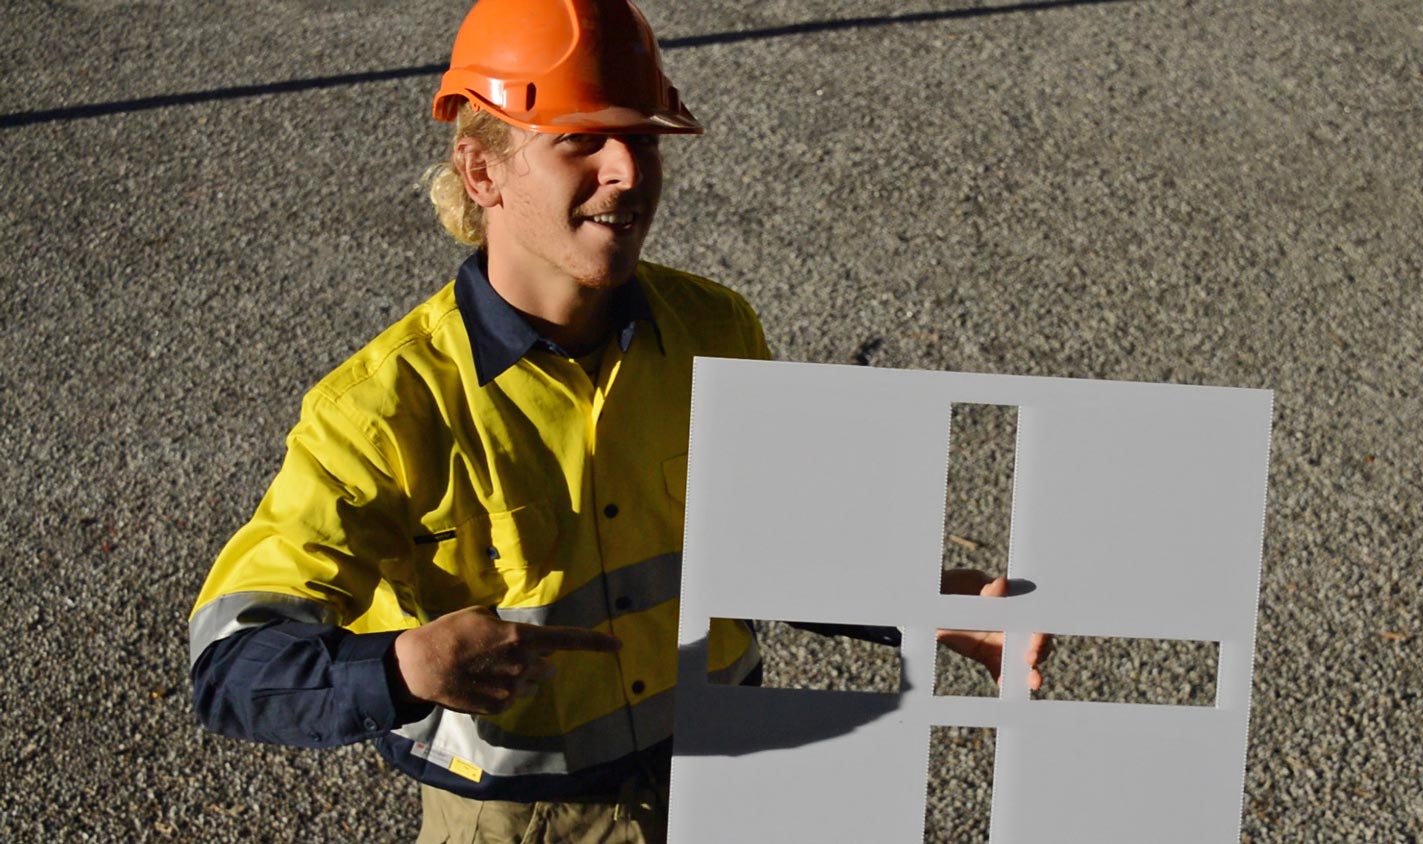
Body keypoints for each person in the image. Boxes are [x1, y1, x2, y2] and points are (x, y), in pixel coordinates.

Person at [189, 1, 1042, 841]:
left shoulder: (715, 329)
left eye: (641, 137)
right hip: (521, 823)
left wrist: (931, 604)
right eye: (581, 141)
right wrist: (406, 668)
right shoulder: (382, 408)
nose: (629, 171)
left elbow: (778, 543)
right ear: (481, 172)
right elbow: (232, 662)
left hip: (730, 781)